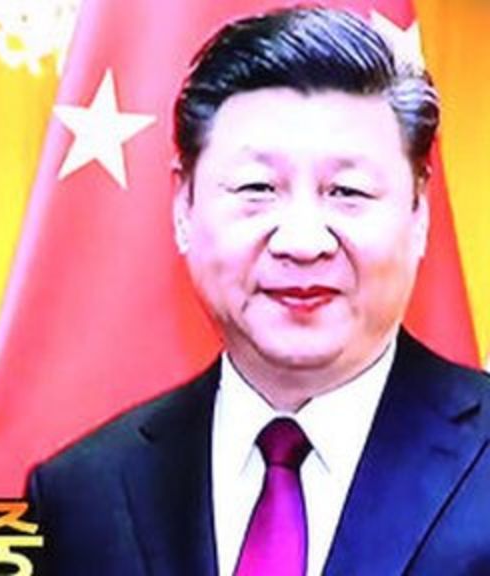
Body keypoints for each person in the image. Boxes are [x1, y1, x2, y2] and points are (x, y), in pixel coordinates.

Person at [27, 7, 490, 576]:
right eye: (258, 188)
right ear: (183, 208)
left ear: (419, 214)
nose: (303, 242)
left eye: (347, 191)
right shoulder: (81, 495)